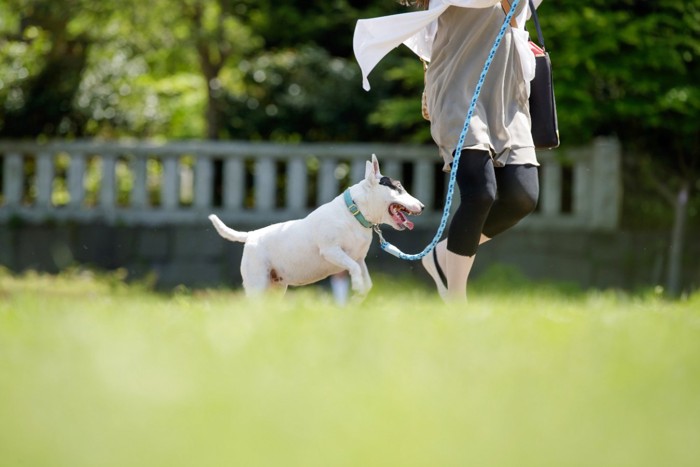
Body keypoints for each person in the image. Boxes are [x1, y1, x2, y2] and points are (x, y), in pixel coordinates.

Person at [354, 0, 542, 302]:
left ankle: (443, 255)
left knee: (522, 196)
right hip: (458, 90)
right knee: (480, 192)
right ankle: (457, 300)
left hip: (507, 92)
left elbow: (514, 14)